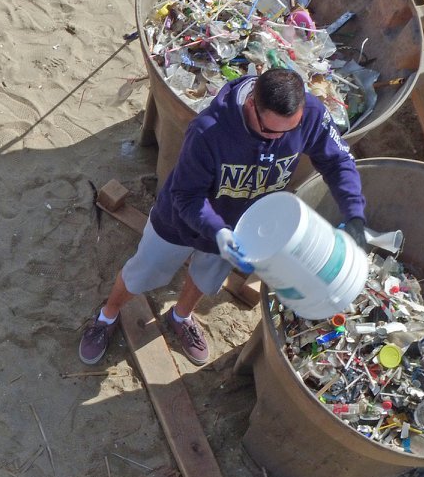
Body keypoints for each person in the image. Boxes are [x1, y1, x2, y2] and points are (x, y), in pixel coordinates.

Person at [79, 67, 368, 366]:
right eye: (270, 131)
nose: (278, 139)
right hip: (180, 222)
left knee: (206, 279)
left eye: (289, 131)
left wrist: (355, 214)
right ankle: (107, 315)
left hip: (242, 227)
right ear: (251, 103)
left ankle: (181, 316)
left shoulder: (310, 114)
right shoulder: (209, 130)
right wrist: (217, 230)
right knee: (143, 272)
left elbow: (339, 161)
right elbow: (186, 196)